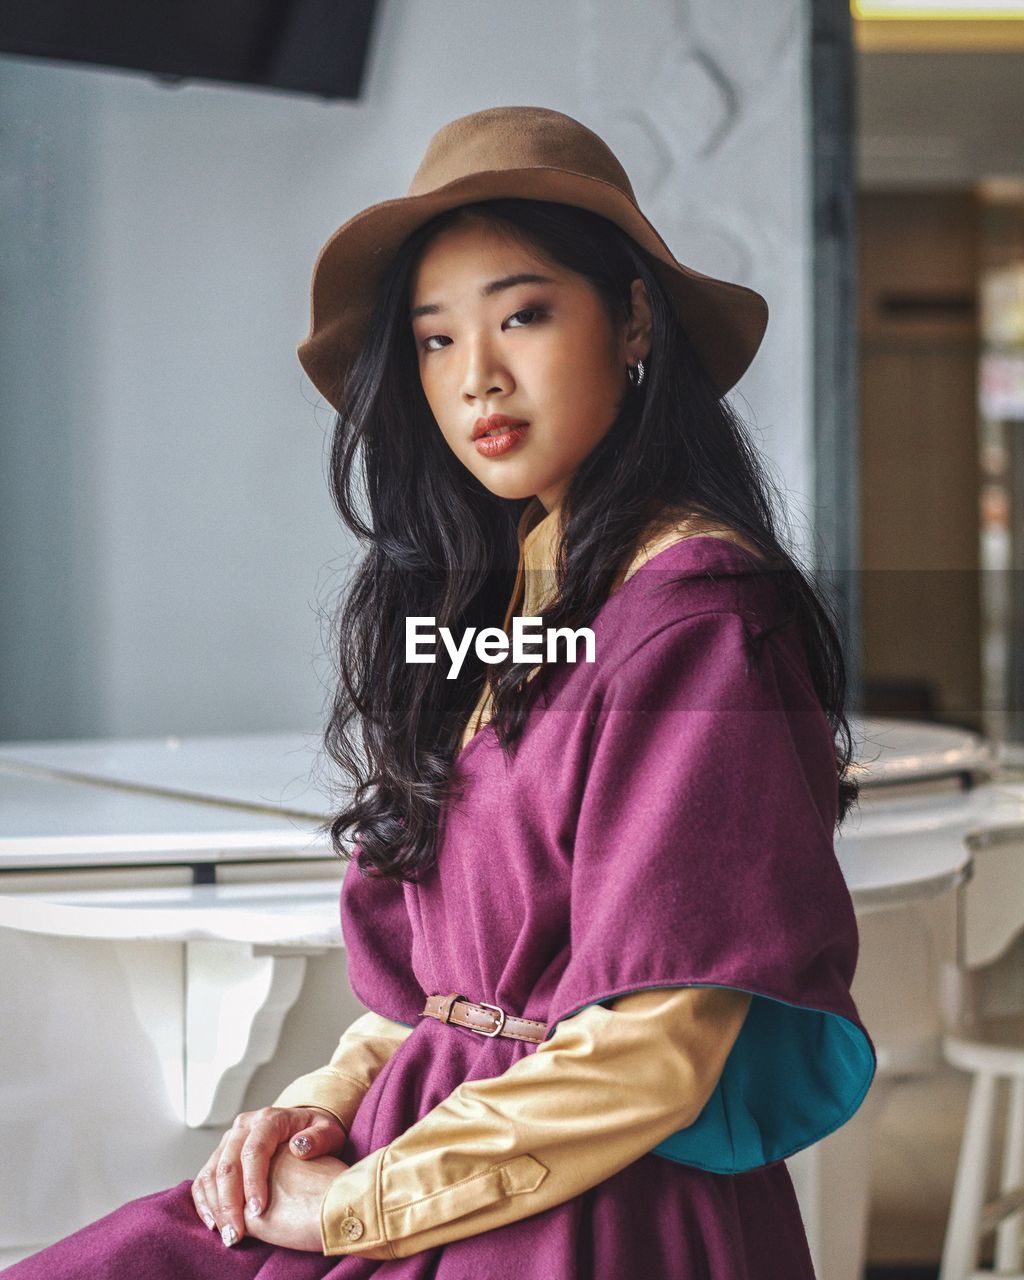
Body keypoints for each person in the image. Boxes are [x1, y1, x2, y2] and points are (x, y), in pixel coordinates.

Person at [3, 104, 876, 1278]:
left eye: (521, 314)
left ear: (630, 322)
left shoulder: (700, 619)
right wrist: (307, 1111)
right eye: (433, 340)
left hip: (580, 1207)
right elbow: (443, 995)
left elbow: (660, 1041)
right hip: (423, 1150)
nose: (478, 378)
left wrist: (356, 1203)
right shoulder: (503, 606)